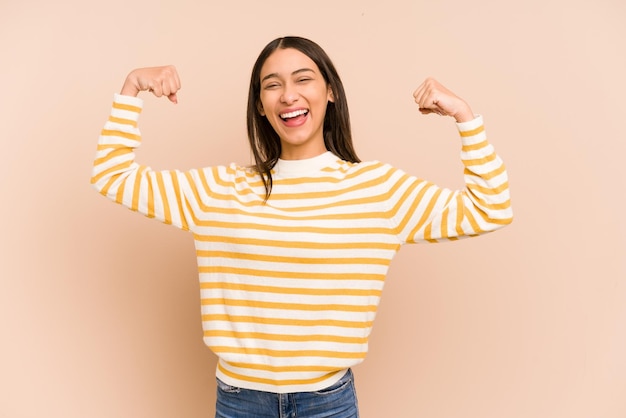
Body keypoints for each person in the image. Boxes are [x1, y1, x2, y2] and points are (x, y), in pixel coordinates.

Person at [91, 36, 512, 418]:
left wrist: (465, 117)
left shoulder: (378, 190)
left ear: (329, 91)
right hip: (240, 402)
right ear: (260, 104)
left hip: (329, 403)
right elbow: (112, 176)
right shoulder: (220, 190)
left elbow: (490, 208)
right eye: (272, 84)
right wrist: (132, 87)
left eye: (302, 79)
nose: (288, 95)